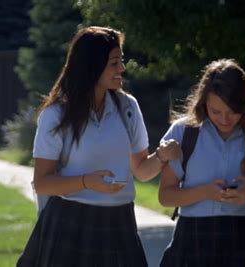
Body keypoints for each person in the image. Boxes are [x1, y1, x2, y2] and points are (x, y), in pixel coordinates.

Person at [16, 26, 180, 267]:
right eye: (114, 63)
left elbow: (142, 170)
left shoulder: (128, 107)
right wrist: (86, 182)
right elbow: (42, 183)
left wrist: (162, 156)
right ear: (92, 65)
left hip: (120, 223)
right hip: (69, 223)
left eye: (121, 61)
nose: (121, 69)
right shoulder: (56, 115)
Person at [158, 58, 245, 266]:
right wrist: (205, 192)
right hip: (192, 245)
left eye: (232, 112)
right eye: (216, 112)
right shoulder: (183, 132)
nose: (224, 119)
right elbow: (166, 196)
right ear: (204, 104)